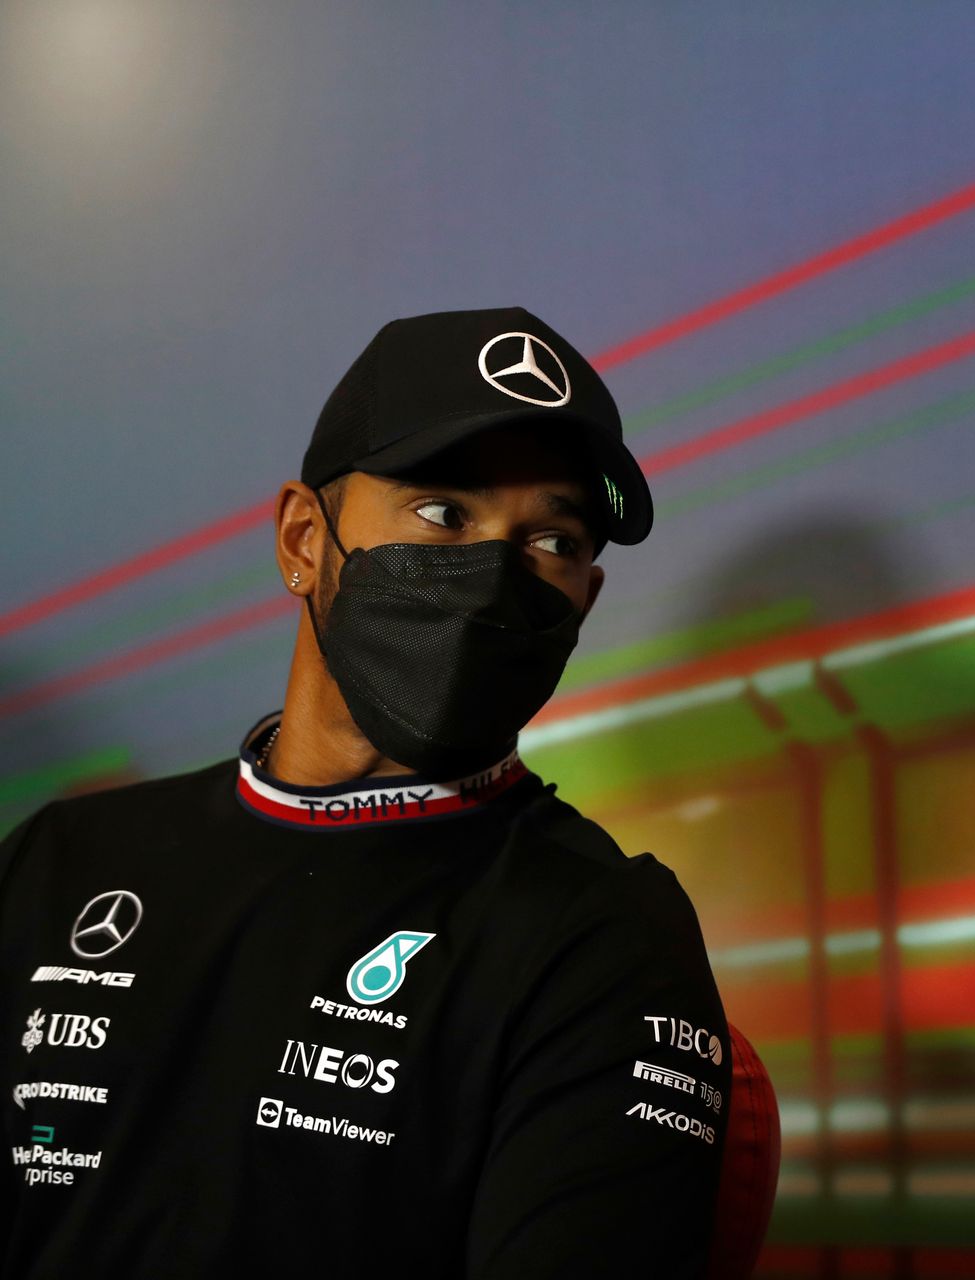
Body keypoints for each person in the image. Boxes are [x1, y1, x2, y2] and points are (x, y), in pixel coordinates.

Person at [0, 308, 732, 1277]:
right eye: (444, 514)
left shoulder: (603, 933)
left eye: (553, 539)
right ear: (304, 539)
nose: (491, 577)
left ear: (584, 601)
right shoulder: (61, 861)